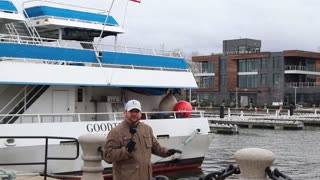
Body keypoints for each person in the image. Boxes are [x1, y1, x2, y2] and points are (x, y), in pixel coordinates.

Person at [103, 99, 182, 180]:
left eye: (137, 111)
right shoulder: (116, 131)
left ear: (140, 114)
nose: (134, 114)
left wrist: (167, 152)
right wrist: (125, 150)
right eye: (131, 111)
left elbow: (156, 148)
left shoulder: (147, 129)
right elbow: (107, 156)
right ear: (125, 113)